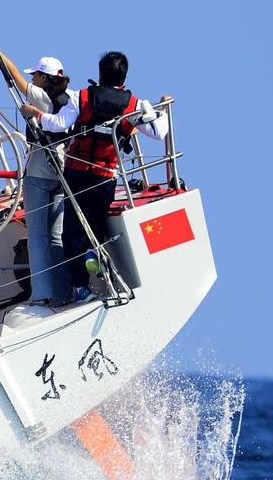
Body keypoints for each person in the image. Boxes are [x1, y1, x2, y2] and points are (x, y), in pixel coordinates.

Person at [23, 52, 171, 299]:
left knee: (71, 230)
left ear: (100, 73)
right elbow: (158, 133)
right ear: (124, 75)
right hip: (105, 177)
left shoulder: (81, 97)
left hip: (77, 173)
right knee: (95, 225)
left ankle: (81, 286)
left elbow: (57, 124)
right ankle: (94, 255)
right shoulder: (133, 105)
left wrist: (35, 114)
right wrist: (162, 108)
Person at [0, 30, 73, 305]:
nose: (31, 78)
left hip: (40, 171)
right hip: (62, 169)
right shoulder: (69, 101)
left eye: (35, 75)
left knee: (36, 236)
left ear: (44, 78)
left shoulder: (42, 97)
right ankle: (62, 291)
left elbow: (12, 76)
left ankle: (42, 293)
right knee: (56, 237)